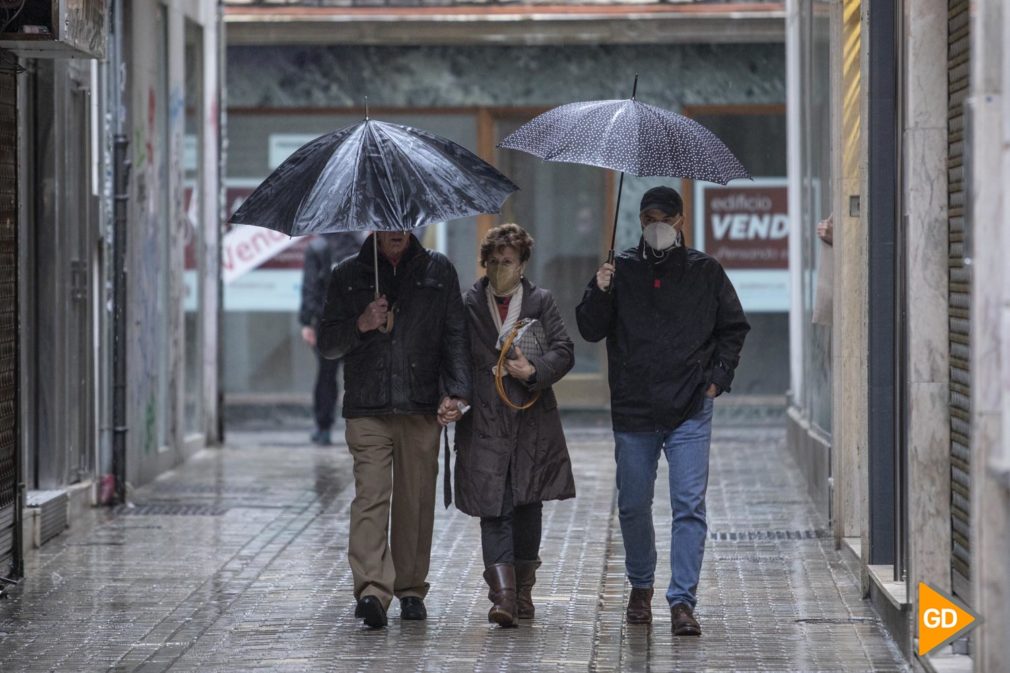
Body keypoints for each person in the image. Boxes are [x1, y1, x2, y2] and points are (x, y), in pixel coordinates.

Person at [575, 186, 750, 636]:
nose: (657, 226)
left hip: (690, 405)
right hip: (634, 408)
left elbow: (733, 327)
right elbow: (590, 329)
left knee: (688, 505)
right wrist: (599, 289)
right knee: (633, 505)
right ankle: (641, 586)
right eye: (649, 217)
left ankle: (682, 601)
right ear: (638, 220)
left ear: (681, 221)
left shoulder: (705, 271)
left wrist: (718, 377)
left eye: (665, 218)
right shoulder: (622, 270)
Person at [318, 230, 471, 629]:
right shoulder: (347, 273)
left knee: (415, 500)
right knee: (370, 495)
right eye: (387, 222)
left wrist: (456, 393)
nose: (396, 231)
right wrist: (362, 323)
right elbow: (328, 343)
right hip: (367, 407)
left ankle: (410, 588)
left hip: (421, 406)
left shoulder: (439, 270)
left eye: (403, 221)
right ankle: (371, 589)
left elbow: (455, 334)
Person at [453, 224, 576, 628]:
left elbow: (564, 349)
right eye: (493, 262)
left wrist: (533, 369)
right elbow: (453, 355)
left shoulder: (540, 301)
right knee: (494, 507)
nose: (500, 268)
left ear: (522, 264)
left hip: (530, 420)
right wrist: (455, 396)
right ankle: (502, 597)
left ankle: (523, 591)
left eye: (508, 262)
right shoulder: (470, 303)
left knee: (527, 506)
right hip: (485, 422)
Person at [299, 232, 363, 445]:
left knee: (326, 375)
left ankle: (323, 427)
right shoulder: (361, 246)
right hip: (357, 322)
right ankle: (362, 425)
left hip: (325, 322)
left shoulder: (317, 247)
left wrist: (307, 322)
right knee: (357, 376)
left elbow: (309, 287)